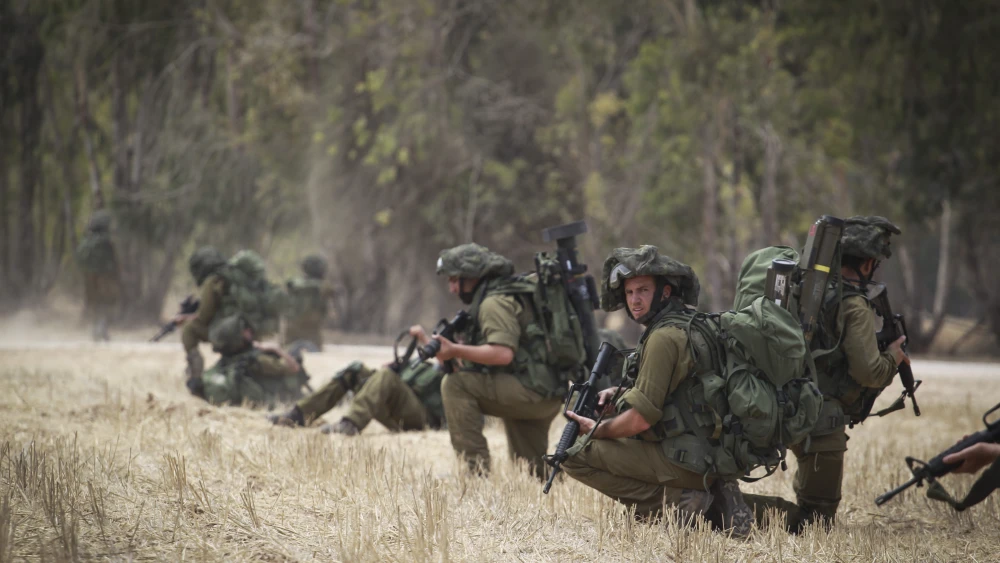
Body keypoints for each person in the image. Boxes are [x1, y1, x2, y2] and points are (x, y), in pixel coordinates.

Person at [559, 245, 753, 536]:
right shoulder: (691, 325)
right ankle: (793, 514)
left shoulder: (663, 338)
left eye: (643, 291)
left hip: (685, 458)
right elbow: (679, 394)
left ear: (664, 292)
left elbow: (640, 420)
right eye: (629, 293)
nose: (634, 301)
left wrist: (597, 429)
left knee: (574, 456)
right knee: (726, 513)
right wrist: (620, 394)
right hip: (712, 453)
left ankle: (679, 502)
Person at [745, 216, 910, 531]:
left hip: (775, 403)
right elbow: (869, 372)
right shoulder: (853, 305)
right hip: (821, 422)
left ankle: (718, 504)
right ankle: (726, 508)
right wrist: (893, 356)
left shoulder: (804, 291)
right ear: (867, 265)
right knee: (816, 522)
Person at [432, 243, 567, 480]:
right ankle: (558, 478)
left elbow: (502, 353)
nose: (452, 288)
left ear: (473, 277)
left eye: (455, 280)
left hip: (530, 390)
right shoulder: (508, 294)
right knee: (534, 473)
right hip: (545, 390)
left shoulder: (493, 303)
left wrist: (454, 350)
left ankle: (476, 472)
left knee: (455, 384)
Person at [266, 358, 446, 435]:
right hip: (401, 404)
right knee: (355, 369)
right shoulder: (427, 362)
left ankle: (351, 423)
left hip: (424, 418)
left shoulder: (458, 366)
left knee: (385, 376)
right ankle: (299, 414)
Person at [195, 314, 309, 407]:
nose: (249, 331)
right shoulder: (256, 359)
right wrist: (277, 349)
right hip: (272, 401)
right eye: (244, 330)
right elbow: (295, 368)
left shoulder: (230, 358)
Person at [175, 246, 228, 385]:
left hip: (230, 331)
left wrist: (185, 319)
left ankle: (195, 376)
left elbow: (204, 317)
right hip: (245, 329)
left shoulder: (212, 282)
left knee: (189, 329)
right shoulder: (230, 278)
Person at [75, 210, 121, 341]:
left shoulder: (86, 240)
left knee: (94, 303)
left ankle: (96, 329)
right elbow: (113, 261)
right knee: (106, 302)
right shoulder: (105, 241)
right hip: (104, 276)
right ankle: (102, 328)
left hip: (88, 275)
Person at [283, 254, 336, 352]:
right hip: (312, 332)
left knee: (287, 351)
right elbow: (330, 312)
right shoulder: (324, 287)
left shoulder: (293, 284)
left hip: (292, 331)